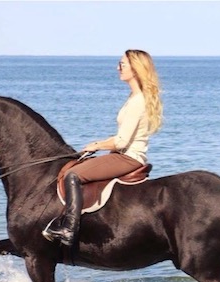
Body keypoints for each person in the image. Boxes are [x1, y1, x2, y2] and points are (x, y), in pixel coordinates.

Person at [43, 49, 163, 246]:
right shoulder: (135, 98)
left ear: (135, 68)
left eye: (122, 64)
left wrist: (97, 145)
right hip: (125, 154)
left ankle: (69, 228)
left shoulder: (137, 101)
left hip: (127, 157)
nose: (118, 68)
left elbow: (122, 141)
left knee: (72, 175)